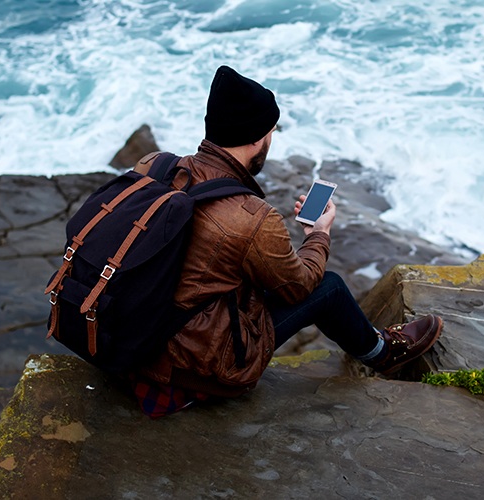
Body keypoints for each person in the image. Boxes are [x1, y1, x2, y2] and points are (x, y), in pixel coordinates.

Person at [129, 65, 443, 417]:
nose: (271, 140)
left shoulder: (154, 167)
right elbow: (299, 286)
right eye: (271, 132)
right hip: (196, 359)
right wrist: (319, 234)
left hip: (134, 333)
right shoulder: (250, 216)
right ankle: (383, 355)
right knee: (329, 287)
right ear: (255, 138)